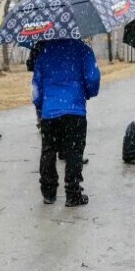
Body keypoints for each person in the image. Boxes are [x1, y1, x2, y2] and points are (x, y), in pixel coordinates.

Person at [33, 39, 101, 206]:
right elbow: (92, 77)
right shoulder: (83, 49)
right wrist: (88, 92)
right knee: (74, 150)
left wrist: (40, 102)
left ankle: (49, 193)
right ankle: (73, 193)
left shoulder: (45, 51)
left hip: (50, 111)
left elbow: (36, 82)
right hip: (74, 109)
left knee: (48, 150)